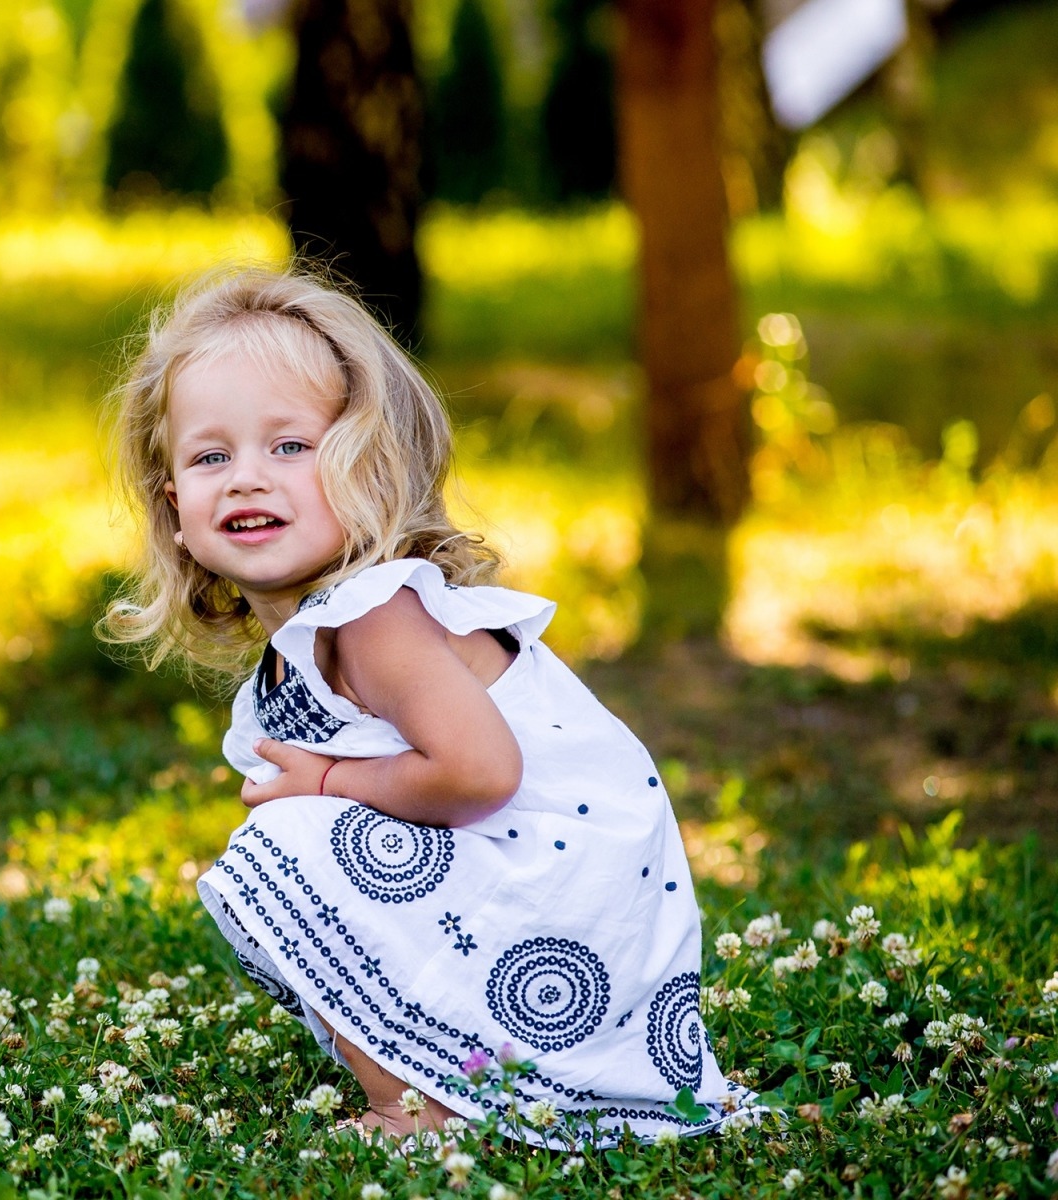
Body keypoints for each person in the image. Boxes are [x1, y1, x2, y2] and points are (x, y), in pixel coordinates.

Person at [98, 266, 753, 1148]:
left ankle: (419, 1108)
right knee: (295, 859)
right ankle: (452, 1070)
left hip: (567, 894)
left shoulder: (376, 616)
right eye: (211, 457)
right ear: (175, 503)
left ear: (363, 469)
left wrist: (329, 780)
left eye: (290, 448)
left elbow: (482, 772)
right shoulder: (321, 633)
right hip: (539, 902)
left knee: (286, 847)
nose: (247, 479)